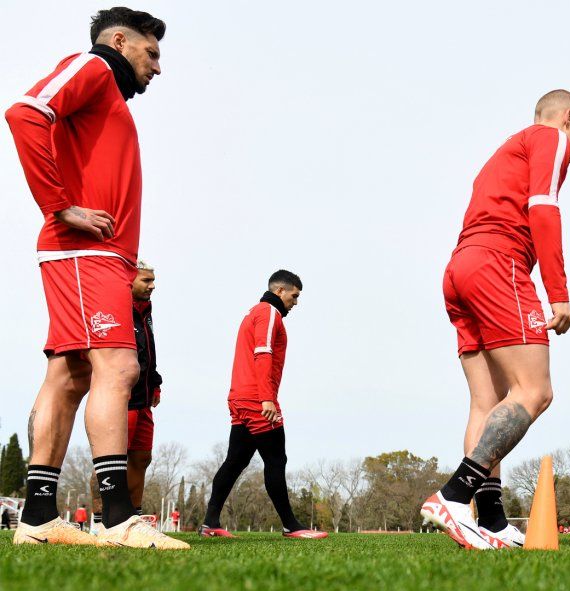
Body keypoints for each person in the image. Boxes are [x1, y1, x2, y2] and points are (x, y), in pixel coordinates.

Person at [5, 7, 186, 549]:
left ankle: (36, 519)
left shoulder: (107, 93)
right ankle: (116, 518)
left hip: (94, 256)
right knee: (118, 364)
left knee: (71, 375)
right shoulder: (94, 67)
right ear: (119, 40)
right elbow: (23, 112)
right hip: (85, 252)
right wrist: (60, 207)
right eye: (151, 53)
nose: (157, 67)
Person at [421, 90, 570, 549]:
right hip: (500, 264)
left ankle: (490, 520)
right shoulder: (549, 138)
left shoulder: (506, 150)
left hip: (460, 268)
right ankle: (454, 495)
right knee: (535, 391)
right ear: (567, 118)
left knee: (487, 401)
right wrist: (559, 293)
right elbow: (543, 208)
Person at [198, 270, 328, 540]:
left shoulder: (256, 312)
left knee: (235, 461)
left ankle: (210, 523)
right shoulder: (268, 312)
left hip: (240, 397)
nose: (296, 302)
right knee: (276, 458)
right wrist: (267, 397)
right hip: (256, 399)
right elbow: (263, 352)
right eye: (294, 295)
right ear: (280, 291)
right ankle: (291, 526)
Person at [90, 260, 162, 531]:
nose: (152, 286)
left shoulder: (146, 309)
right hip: (121, 398)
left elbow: (148, 349)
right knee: (111, 458)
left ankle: (134, 518)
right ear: (128, 280)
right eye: (146, 280)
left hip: (144, 399)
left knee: (142, 457)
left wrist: (155, 382)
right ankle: (100, 522)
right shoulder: (115, 308)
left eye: (153, 280)